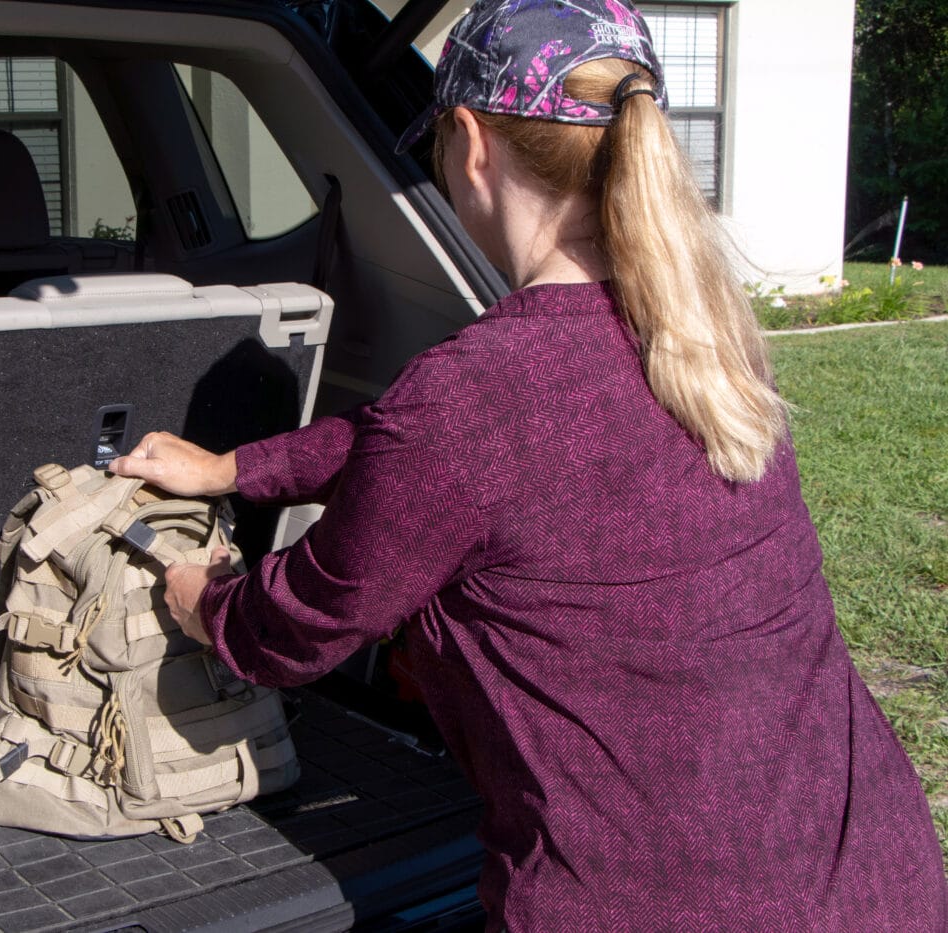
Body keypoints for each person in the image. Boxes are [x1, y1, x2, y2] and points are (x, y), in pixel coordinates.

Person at [112, 0, 948, 928]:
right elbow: (432, 450)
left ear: (469, 141)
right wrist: (237, 468)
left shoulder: (480, 395)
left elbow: (298, 623)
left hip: (649, 905)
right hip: (871, 869)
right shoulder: (707, 335)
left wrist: (198, 593)